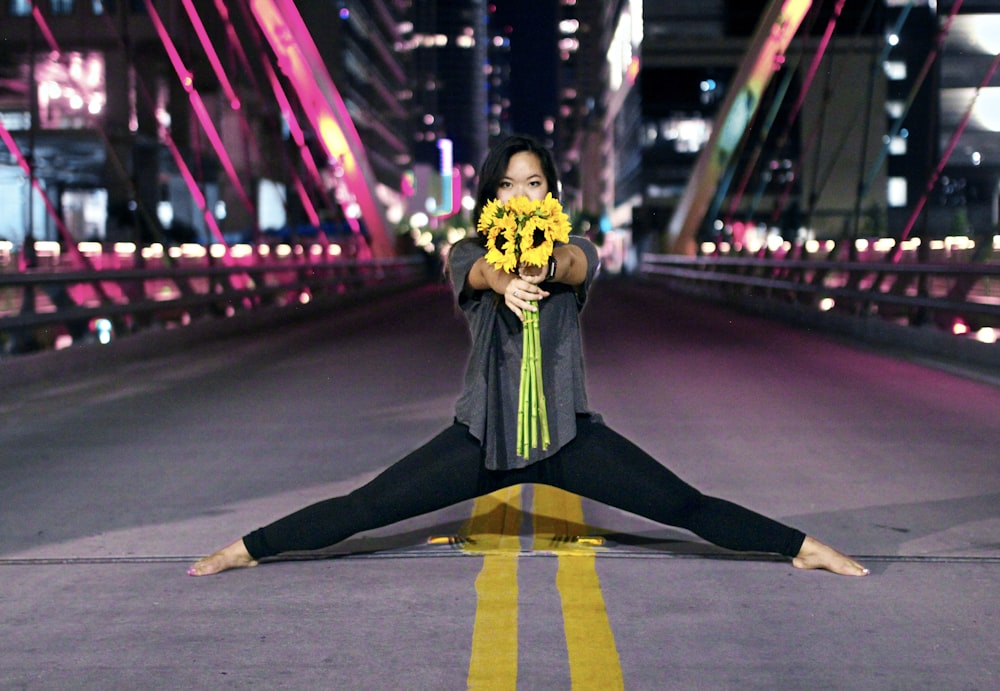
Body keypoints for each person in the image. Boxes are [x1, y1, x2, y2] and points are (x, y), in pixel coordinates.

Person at [189, 134, 868, 578]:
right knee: (368, 506)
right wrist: (503, 274)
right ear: (491, 196)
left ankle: (801, 547)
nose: (522, 193)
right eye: (509, 184)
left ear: (552, 194)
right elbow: (481, 273)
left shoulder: (578, 252)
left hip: (568, 441)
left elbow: (571, 263)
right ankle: (248, 547)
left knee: (682, 506)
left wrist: (541, 261)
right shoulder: (468, 255)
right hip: (483, 441)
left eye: (535, 183)